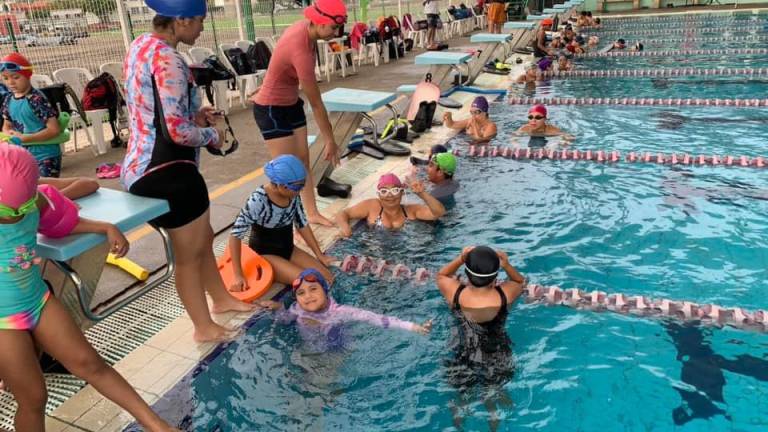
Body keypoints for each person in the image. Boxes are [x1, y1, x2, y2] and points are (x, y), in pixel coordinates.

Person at [0, 143, 178, 432]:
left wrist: (104, 227)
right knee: (33, 397)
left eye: (27, 204)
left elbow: (60, 222)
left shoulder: (33, 199)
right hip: (2, 321)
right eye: (14, 210)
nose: (22, 213)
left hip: (36, 300)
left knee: (90, 363)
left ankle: (158, 426)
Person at [122, 0, 253, 343]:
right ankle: (203, 327)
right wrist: (214, 134)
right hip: (168, 171)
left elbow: (157, 112)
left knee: (204, 238)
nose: (200, 30)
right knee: (189, 255)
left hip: (140, 164)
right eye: (199, 22)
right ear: (180, 20)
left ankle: (221, 300)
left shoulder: (141, 45)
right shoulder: (169, 59)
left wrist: (195, 114)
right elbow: (177, 133)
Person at [251, 0, 349, 227]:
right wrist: (329, 140)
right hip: (272, 110)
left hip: (291, 102)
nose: (336, 33)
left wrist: (267, 83)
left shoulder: (309, 30)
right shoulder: (301, 49)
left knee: (303, 163)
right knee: (286, 172)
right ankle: (281, 224)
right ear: (318, 21)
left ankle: (311, 213)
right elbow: (316, 104)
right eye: (333, 28)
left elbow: (279, 63)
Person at [436, 246, 525, 432]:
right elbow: (519, 280)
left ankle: (460, 415)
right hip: (497, 352)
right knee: (493, 388)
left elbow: (442, 275)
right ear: (495, 278)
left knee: (463, 391)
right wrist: (507, 264)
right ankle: (493, 414)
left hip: (464, 351)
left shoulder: (455, 293)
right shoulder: (504, 295)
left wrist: (461, 258)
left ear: (467, 276)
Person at [228, 155, 334, 291]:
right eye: (298, 186)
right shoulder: (259, 200)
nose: (301, 189)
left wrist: (320, 255)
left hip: (288, 249)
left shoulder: (292, 195)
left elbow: (302, 224)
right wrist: (238, 275)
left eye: (303, 184)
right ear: (281, 186)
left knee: (327, 278)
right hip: (265, 254)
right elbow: (235, 235)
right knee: (308, 283)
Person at [259, 269, 432, 351]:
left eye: (313, 289)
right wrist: (279, 307)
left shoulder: (341, 312)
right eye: (301, 293)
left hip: (336, 349)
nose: (307, 296)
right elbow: (285, 319)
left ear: (326, 291)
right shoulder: (297, 309)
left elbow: (376, 319)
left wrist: (412, 327)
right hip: (309, 350)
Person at [0, 53, 62, 178]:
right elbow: (6, 126)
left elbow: (54, 130)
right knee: (29, 193)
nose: (11, 82)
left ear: (28, 75)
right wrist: (9, 134)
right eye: (5, 78)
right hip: (22, 157)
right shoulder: (8, 99)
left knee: (45, 190)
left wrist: (24, 139)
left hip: (46, 155)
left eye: (16, 77)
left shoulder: (36, 99)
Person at [336, 173, 445, 237]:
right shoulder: (372, 206)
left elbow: (439, 212)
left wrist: (422, 194)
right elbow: (343, 213)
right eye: (384, 191)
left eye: (394, 191)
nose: (389, 196)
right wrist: (345, 227)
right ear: (379, 194)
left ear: (402, 192)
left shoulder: (411, 210)